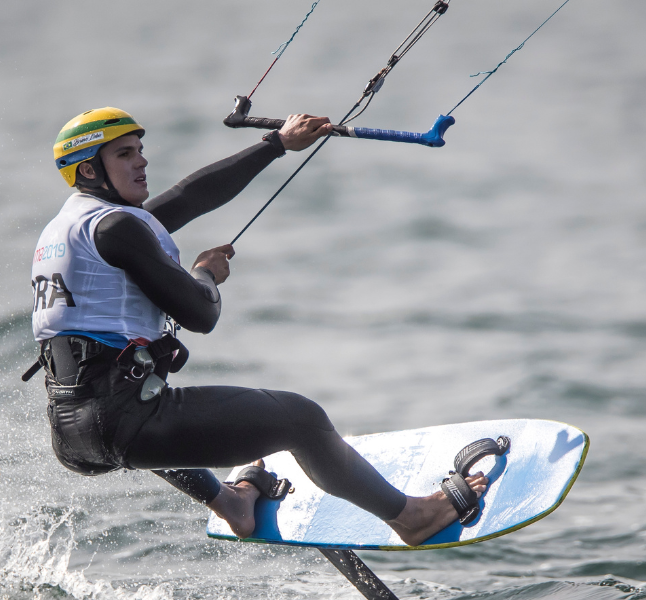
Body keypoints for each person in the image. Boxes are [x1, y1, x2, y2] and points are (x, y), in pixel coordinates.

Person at [26, 107, 487, 546]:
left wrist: (277, 144)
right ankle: (411, 517)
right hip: (123, 421)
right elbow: (200, 315)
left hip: (71, 434)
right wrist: (205, 273)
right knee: (300, 420)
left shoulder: (69, 228)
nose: (142, 160)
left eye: (139, 149)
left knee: (152, 409)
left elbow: (189, 196)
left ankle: (232, 505)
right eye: (124, 154)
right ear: (88, 170)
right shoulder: (114, 230)